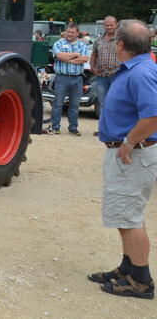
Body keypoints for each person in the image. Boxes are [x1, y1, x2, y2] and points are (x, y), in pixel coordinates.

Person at [89, 19, 157, 299]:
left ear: (120, 45)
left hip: (133, 155)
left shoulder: (142, 73)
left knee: (130, 217)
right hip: (129, 153)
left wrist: (128, 144)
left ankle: (141, 280)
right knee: (125, 213)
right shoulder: (137, 68)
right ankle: (128, 268)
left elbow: (152, 116)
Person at [49, 22, 88, 135]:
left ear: (77, 33)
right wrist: (76, 55)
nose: (70, 34)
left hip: (77, 79)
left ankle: (73, 128)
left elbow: (85, 59)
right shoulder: (58, 43)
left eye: (72, 32)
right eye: (68, 32)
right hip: (62, 78)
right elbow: (59, 56)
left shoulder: (83, 45)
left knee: (75, 105)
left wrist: (67, 58)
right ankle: (55, 127)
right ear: (66, 32)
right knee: (58, 103)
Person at [90, 16, 121, 132]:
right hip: (101, 76)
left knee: (116, 103)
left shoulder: (121, 40)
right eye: (106, 25)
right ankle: (103, 129)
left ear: (116, 24)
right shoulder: (99, 40)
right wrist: (92, 67)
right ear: (104, 25)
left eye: (111, 25)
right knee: (103, 103)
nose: (109, 27)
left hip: (117, 76)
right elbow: (94, 54)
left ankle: (115, 129)